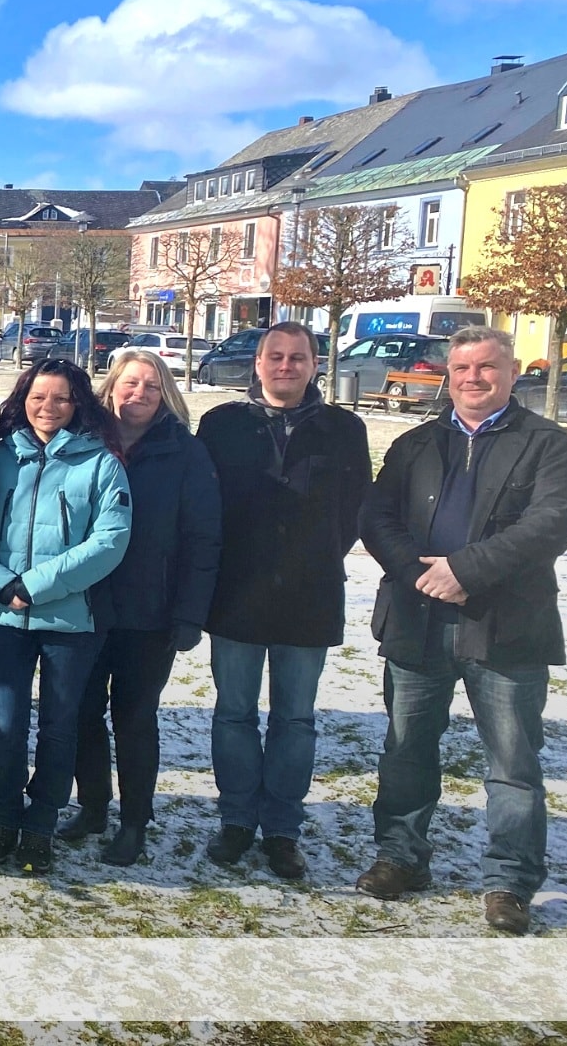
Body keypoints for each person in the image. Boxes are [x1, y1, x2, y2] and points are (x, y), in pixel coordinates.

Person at [355, 326, 567, 935]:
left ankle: (509, 881)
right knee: (406, 749)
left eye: (486, 368)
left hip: (505, 627)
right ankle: (401, 857)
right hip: (417, 620)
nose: (473, 378)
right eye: (461, 369)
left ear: (510, 373)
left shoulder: (548, 444)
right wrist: (418, 575)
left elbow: (553, 523)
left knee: (511, 762)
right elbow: (377, 516)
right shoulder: (417, 443)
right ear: (447, 375)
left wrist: (465, 573)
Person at [198, 321, 369, 880]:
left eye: (299, 357)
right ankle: (237, 820)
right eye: (276, 356)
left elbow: (353, 513)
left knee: (295, 719)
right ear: (258, 362)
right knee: (234, 714)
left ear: (315, 364)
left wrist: (308, 559)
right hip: (237, 594)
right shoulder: (221, 424)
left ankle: (282, 830)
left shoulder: (345, 429)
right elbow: (208, 508)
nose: (286, 366)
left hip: (309, 595)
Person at [0, 359, 131, 875]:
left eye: (60, 398)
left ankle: (40, 825)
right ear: (23, 399)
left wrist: (34, 587)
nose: (48, 408)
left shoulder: (102, 463)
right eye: (39, 397)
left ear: (78, 403)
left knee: (60, 727)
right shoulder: (1, 457)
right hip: (3, 616)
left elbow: (109, 542)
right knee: (5, 723)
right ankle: (2, 818)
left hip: (70, 622)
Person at [60, 350, 221, 866]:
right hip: (84, 604)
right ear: (112, 389)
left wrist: (190, 614)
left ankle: (134, 821)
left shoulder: (185, 452)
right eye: (130, 384)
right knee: (82, 711)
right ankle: (92, 806)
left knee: (134, 718)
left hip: (151, 612)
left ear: (165, 394)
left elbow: (203, 537)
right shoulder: (85, 442)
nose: (139, 395)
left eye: (152, 386)